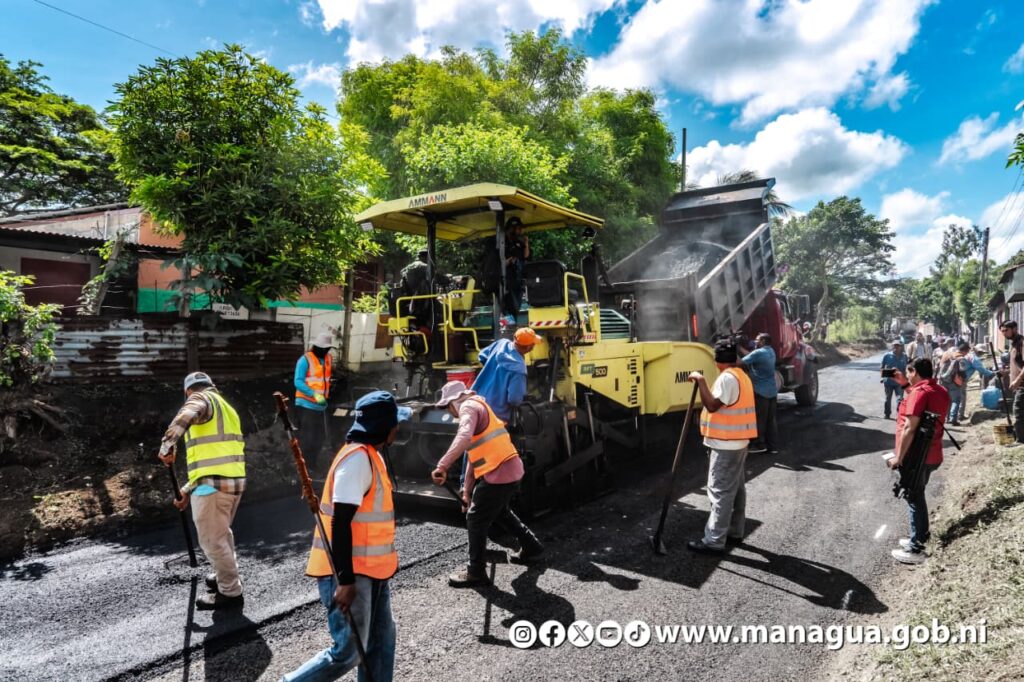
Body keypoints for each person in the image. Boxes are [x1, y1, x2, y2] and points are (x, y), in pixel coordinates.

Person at [283, 391, 409, 682]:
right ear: (384, 426)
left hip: (371, 571)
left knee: (381, 643)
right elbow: (340, 523)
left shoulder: (369, 455)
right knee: (349, 652)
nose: (398, 428)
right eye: (395, 423)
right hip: (350, 573)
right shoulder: (357, 461)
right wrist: (346, 580)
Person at [431, 381, 544, 586]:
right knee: (500, 511)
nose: (450, 412)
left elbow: (464, 437)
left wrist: (442, 465)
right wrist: (466, 492)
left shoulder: (468, 407)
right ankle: (532, 547)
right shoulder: (480, 406)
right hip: (510, 468)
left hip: (501, 470)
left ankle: (476, 571)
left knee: (476, 518)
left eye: (447, 406)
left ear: (453, 402)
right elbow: (473, 457)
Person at [158, 371, 246, 610]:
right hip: (231, 482)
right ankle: (223, 577)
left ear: (188, 391)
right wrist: (187, 489)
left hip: (212, 487)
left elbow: (186, 415)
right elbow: (213, 459)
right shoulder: (226, 408)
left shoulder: (199, 398)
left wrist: (167, 445)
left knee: (212, 540)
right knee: (222, 536)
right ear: (212, 385)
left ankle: (229, 592)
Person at [685, 339, 758, 554]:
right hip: (738, 442)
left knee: (720, 491)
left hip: (726, 444)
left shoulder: (727, 378)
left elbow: (712, 405)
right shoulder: (741, 375)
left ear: (716, 360)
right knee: (736, 489)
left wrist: (700, 381)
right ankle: (734, 531)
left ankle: (714, 540)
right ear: (734, 357)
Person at [887, 358, 951, 564]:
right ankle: (920, 536)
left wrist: (899, 457)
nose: (907, 376)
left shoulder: (919, 393)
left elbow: (910, 428)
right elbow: (923, 406)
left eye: (908, 373)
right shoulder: (939, 390)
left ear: (914, 371)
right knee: (917, 495)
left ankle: (916, 549)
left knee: (914, 497)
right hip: (933, 455)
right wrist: (905, 385)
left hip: (917, 457)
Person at [472, 327, 541, 423]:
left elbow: (482, 355)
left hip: (475, 403)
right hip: (493, 416)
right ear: (529, 347)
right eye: (533, 344)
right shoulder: (519, 369)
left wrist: (493, 372)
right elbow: (515, 400)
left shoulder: (501, 343)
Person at [294, 332, 334, 472]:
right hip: (305, 405)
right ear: (316, 347)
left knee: (320, 437)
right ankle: (304, 467)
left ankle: (312, 464)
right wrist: (314, 394)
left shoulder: (328, 358)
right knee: (308, 437)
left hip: (321, 406)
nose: (325, 351)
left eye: (327, 349)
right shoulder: (305, 360)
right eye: (323, 349)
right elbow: (298, 382)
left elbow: (324, 379)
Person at [740, 332, 778, 454]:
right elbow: (753, 356)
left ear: (762, 341)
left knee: (759, 419)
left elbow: (741, 363)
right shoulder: (770, 351)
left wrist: (732, 350)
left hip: (760, 392)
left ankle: (758, 444)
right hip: (772, 392)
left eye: (757, 340)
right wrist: (740, 348)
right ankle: (772, 447)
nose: (754, 342)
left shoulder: (758, 353)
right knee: (770, 420)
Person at [999, 320, 1024, 444]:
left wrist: (1018, 380)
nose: (1004, 334)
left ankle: (1020, 440)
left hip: (1022, 385)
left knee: (1018, 412)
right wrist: (1005, 372)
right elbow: (1017, 365)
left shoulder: (1021, 343)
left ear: (1014, 328)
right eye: (1002, 331)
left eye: (1006, 331)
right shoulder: (1013, 345)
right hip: (1018, 385)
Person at [959, 344, 996, 422]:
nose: (981, 353)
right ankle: (960, 416)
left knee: (956, 397)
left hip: (957, 377)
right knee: (962, 397)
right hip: (961, 379)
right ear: (976, 350)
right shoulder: (973, 357)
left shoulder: (968, 355)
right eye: (980, 352)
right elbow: (980, 369)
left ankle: (951, 416)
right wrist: (991, 373)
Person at [938, 342, 970, 426]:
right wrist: (964, 379)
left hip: (943, 380)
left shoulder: (948, 354)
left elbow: (940, 365)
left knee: (947, 400)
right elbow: (962, 371)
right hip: (954, 382)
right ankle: (953, 419)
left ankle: (946, 418)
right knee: (956, 400)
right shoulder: (961, 358)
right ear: (965, 351)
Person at [880, 341, 908, 419]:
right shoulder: (887, 355)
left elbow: (906, 368)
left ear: (901, 347)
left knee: (900, 399)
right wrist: (882, 378)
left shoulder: (904, 356)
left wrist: (906, 379)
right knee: (887, 398)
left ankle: (899, 414)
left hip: (900, 381)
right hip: (888, 380)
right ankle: (887, 414)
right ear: (892, 346)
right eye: (895, 346)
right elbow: (882, 366)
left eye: (898, 346)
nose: (896, 347)